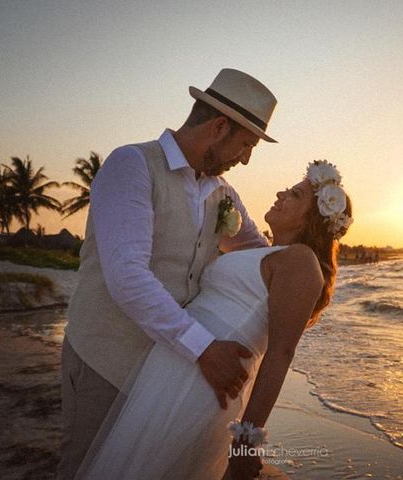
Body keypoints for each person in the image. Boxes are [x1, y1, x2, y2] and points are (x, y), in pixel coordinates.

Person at [59, 68, 279, 479]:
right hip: (105, 361)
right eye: (246, 145)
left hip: (162, 375)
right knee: (87, 469)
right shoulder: (133, 164)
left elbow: (265, 259)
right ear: (218, 127)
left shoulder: (223, 192)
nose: (246, 159)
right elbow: (127, 276)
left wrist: (314, 255)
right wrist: (205, 349)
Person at [76, 160, 353, 480]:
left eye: (294, 194)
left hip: (206, 381)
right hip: (178, 362)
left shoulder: (301, 261)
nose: (280, 193)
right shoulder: (266, 252)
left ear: (312, 220)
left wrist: (247, 440)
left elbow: (280, 354)